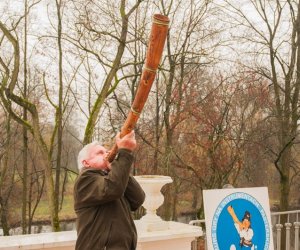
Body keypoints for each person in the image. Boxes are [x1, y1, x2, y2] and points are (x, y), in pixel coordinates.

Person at [74, 131, 145, 250]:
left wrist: (116, 167)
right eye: (99, 153)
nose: (107, 154)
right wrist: (125, 152)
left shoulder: (113, 178)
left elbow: (138, 199)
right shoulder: (84, 180)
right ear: (86, 163)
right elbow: (113, 189)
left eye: (106, 151)